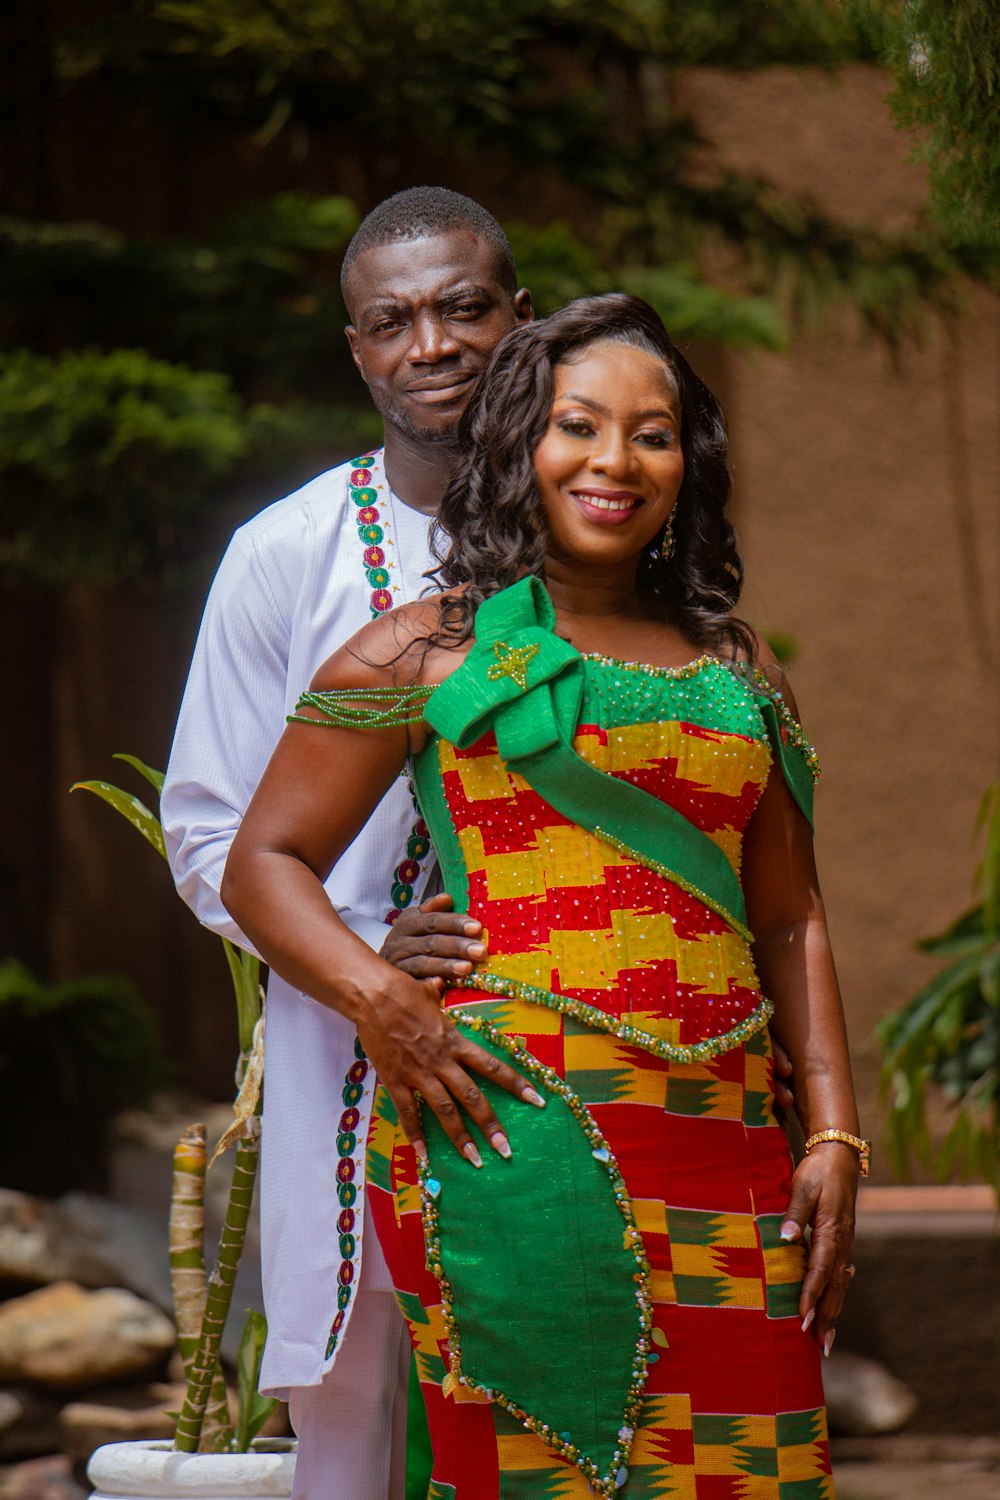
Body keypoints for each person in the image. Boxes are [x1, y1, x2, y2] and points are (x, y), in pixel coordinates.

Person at [222, 294, 864, 1499]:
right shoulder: (425, 651)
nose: (614, 462)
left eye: (653, 433)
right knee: (534, 1470)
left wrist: (830, 1130)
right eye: (578, 425)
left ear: (690, 461)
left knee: (752, 1469)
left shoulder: (739, 666)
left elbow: (790, 917)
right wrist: (379, 998)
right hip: (510, 1132)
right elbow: (263, 859)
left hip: (730, 1151)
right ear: (519, 440)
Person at [160, 186, 533, 1500]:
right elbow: (208, 833)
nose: (430, 344)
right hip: (353, 1042)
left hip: (577, 1048)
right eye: (393, 322)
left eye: (462, 307)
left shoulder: (611, 528)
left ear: (518, 319)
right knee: (357, 1423)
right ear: (358, 350)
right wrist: (371, 960)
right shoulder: (284, 557)